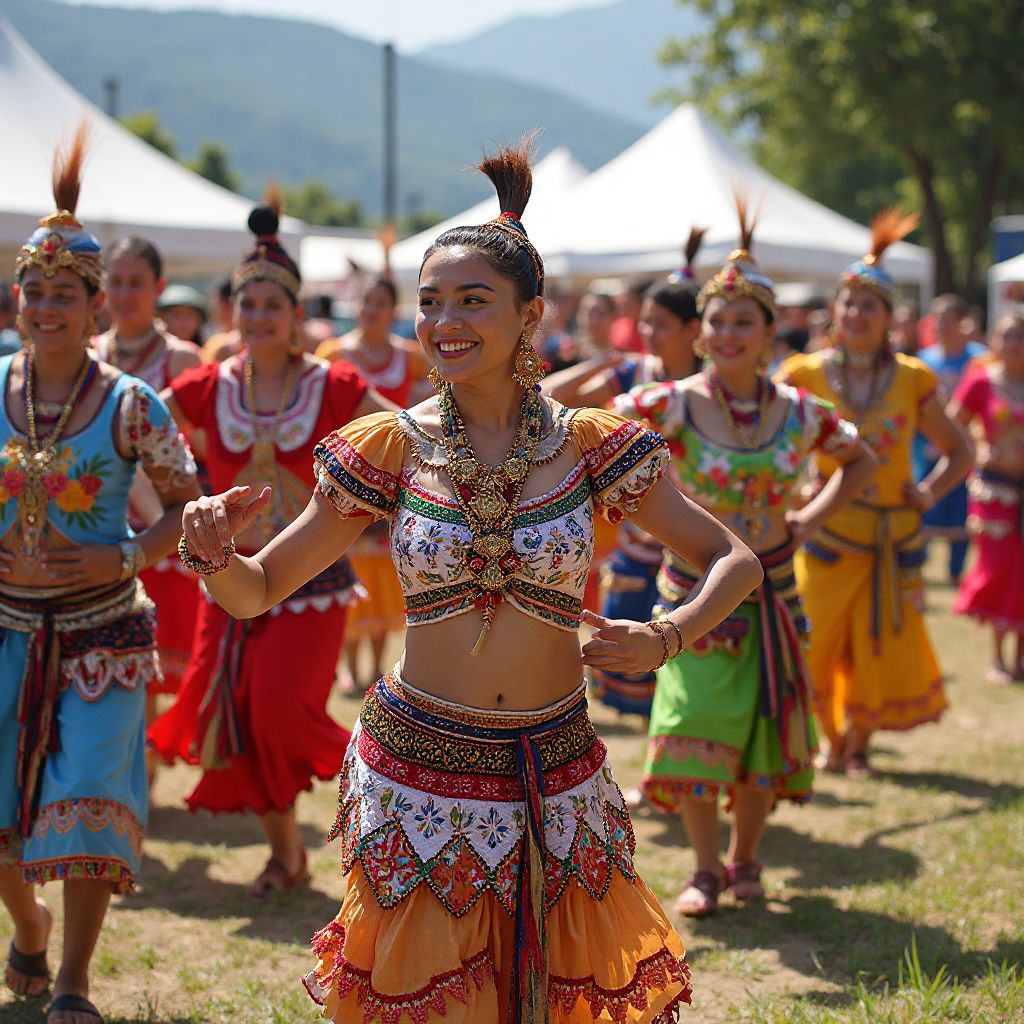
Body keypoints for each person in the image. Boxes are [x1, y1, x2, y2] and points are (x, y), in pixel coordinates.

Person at [179, 138, 765, 1023]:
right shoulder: (391, 445)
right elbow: (258, 590)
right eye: (430, 302)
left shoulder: (591, 444)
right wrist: (214, 555)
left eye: (471, 300)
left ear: (531, 316)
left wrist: (664, 637)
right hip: (420, 768)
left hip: (553, 765)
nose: (443, 321)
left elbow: (735, 560)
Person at [616, 202, 875, 916]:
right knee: (691, 721)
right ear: (700, 332)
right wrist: (648, 511)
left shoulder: (801, 410)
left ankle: (746, 858)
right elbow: (595, 438)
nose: (727, 334)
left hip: (776, 593)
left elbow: (861, 460)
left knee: (766, 723)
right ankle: (704, 869)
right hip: (695, 591)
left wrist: (808, 518)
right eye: (717, 322)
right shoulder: (668, 403)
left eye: (743, 322)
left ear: (768, 333)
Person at [0, 126, 199, 1024]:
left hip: (102, 633)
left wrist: (121, 554)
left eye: (65, 295)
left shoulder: (131, 404)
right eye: (34, 291)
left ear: (94, 309)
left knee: (84, 802)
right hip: (4, 627)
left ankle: (74, 980)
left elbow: (186, 508)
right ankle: (29, 927)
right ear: (18, 298)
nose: (47, 308)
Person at [147, 198, 387, 897]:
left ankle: (377, 790)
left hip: (310, 581)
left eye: (272, 305)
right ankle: (286, 854)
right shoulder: (207, 386)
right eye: (246, 305)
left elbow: (403, 439)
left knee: (278, 709)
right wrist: (172, 503)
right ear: (233, 312)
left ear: (295, 312)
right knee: (231, 710)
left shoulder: (334, 385)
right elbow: (135, 430)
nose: (258, 317)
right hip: (226, 582)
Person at [777, 210, 973, 776]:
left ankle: (856, 746)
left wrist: (928, 492)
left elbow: (960, 451)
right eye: (849, 303)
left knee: (879, 647)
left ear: (889, 318)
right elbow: (764, 436)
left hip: (893, 537)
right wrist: (796, 486)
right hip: (828, 535)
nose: (857, 314)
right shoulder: (803, 375)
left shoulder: (913, 378)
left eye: (870, 306)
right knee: (814, 643)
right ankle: (829, 737)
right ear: (834, 311)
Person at [94, 239, 205, 705]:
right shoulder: (89, 355)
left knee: (157, 680)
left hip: (164, 535)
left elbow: (204, 449)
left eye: (136, 283)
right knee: (109, 677)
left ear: (159, 287)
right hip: (101, 534)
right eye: (116, 282)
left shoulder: (182, 360)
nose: (124, 294)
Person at [315, 277, 430, 690]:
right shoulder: (333, 354)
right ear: (355, 305)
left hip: (393, 477)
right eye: (366, 301)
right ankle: (348, 666)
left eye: (381, 302)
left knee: (383, 574)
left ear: (393, 310)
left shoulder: (410, 357)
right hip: (345, 474)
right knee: (347, 565)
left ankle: (376, 666)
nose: (372, 310)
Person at [948, 312, 1024, 682]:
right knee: (999, 571)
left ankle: (1020, 658)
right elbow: (950, 424)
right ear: (994, 340)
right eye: (1007, 336)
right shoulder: (981, 381)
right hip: (995, 494)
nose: (1014, 344)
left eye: (1020, 337)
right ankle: (996, 657)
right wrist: (977, 449)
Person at [912, 294, 988, 585]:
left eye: (948, 320)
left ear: (962, 323)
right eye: (938, 320)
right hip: (928, 448)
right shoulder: (923, 361)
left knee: (961, 509)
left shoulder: (980, 360)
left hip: (968, 450)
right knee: (925, 501)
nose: (942, 326)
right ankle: (916, 565)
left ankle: (956, 571)